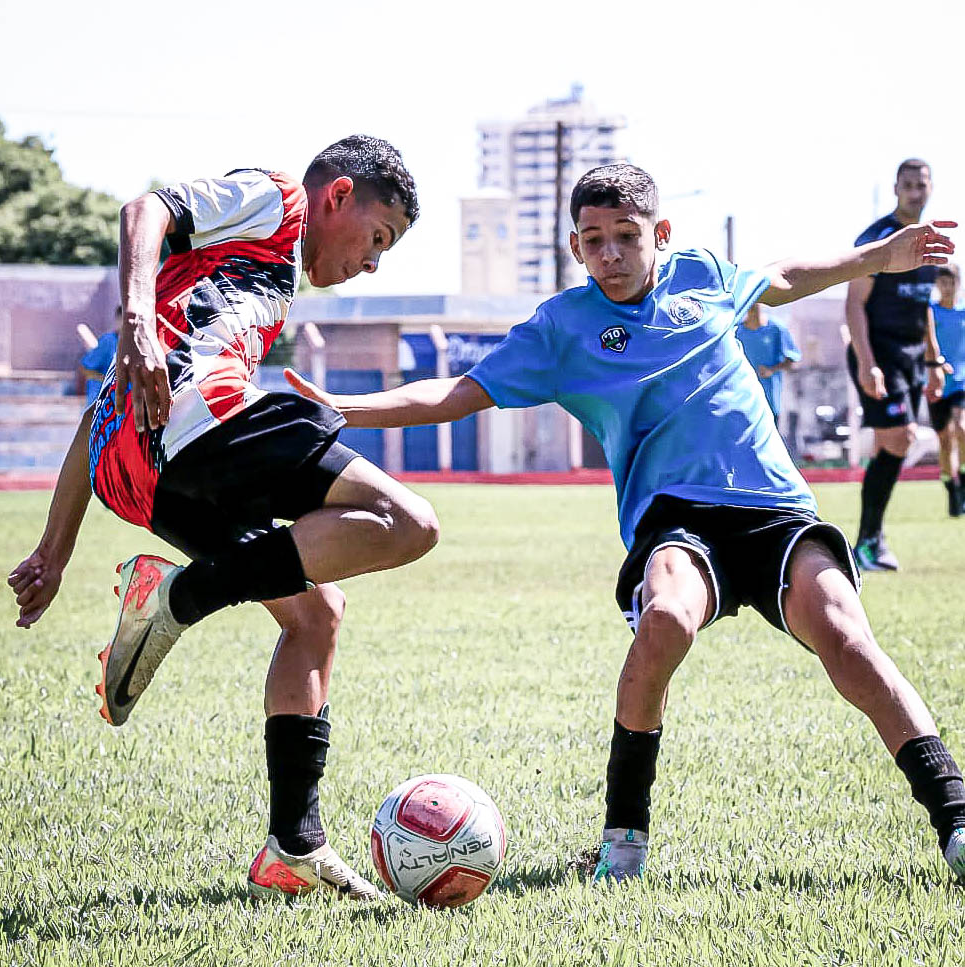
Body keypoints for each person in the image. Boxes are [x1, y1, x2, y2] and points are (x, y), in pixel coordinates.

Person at [285, 163, 965, 884]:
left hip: (771, 506)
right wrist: (344, 407)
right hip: (674, 518)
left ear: (660, 235)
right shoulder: (562, 328)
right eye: (592, 240)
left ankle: (953, 817)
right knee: (665, 616)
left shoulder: (701, 276)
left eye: (625, 236)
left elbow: (784, 274)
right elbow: (457, 392)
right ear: (575, 248)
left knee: (846, 632)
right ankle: (622, 841)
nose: (608, 253)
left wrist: (878, 257)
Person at [7, 135, 440, 901]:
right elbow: (146, 207)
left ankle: (293, 846)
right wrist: (134, 314)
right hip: (202, 426)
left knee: (314, 614)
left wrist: (54, 549)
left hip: (146, 472)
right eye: (378, 238)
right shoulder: (280, 198)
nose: (372, 262)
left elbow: (103, 415)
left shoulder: (234, 286)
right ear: (338, 196)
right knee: (408, 521)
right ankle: (178, 599)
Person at [845, 159, 946, 571]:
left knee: (896, 445)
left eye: (921, 185)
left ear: (930, 188)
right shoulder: (878, 238)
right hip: (878, 352)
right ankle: (868, 542)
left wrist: (934, 359)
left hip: (911, 355)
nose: (915, 192)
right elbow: (854, 304)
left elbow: (925, 306)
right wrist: (868, 362)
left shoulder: (930, 243)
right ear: (896, 189)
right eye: (908, 185)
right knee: (901, 437)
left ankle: (868, 542)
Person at [928, 264, 965, 516]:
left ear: (958, 283)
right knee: (944, 439)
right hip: (936, 383)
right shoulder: (930, 312)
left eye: (951, 282)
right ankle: (951, 487)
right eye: (942, 282)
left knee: (961, 428)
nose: (947, 287)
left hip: (962, 381)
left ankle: (963, 479)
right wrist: (937, 365)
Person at [735, 302, 801, 418]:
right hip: (742, 399)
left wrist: (771, 370)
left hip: (769, 398)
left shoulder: (776, 328)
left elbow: (792, 359)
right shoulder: (736, 331)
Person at [79, 306, 122, 405]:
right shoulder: (109, 341)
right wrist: (107, 380)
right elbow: (84, 368)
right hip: (101, 403)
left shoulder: (136, 344)